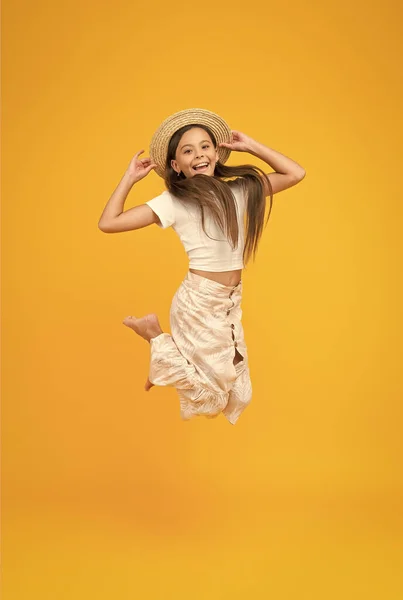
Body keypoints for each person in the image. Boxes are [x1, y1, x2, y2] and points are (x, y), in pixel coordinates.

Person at [98, 108, 305, 424]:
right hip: (197, 303)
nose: (199, 154)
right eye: (188, 150)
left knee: (241, 395)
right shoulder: (173, 202)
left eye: (205, 146)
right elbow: (109, 223)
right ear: (175, 165)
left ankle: (165, 364)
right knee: (210, 402)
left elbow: (295, 173)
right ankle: (155, 337)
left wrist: (251, 146)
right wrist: (129, 179)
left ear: (216, 153)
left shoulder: (238, 191)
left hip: (229, 302)